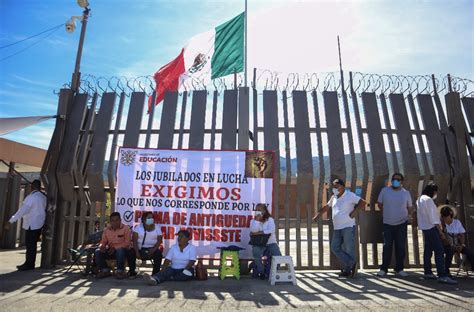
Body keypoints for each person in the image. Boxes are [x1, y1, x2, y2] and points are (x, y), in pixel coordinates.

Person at [313, 178, 366, 277]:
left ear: (342, 187)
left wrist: (355, 212)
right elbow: (327, 207)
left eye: (336, 187)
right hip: (337, 227)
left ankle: (349, 270)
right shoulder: (334, 197)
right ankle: (351, 264)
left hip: (348, 226)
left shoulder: (349, 195)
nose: (334, 189)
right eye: (333, 187)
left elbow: (362, 202)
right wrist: (318, 215)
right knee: (335, 247)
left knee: (349, 248)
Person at [416, 182, 457, 284]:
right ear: (433, 191)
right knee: (439, 250)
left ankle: (428, 272)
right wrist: (441, 232)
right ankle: (442, 275)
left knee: (428, 250)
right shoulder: (429, 200)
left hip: (425, 228)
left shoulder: (420, 199)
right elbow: (433, 218)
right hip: (432, 228)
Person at [376, 173, 413, 277]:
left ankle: (399, 268)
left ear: (402, 181)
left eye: (398, 179)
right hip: (387, 223)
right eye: (394, 179)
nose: (396, 181)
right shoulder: (385, 191)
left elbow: (410, 207)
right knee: (387, 246)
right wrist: (387, 213)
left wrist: (409, 216)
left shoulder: (405, 193)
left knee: (400, 247)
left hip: (402, 223)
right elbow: (379, 204)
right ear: (391, 180)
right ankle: (383, 269)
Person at [7, 179, 46, 271]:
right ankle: (29, 263)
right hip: (39, 224)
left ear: (32, 187)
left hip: (31, 224)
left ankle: (29, 264)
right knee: (33, 245)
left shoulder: (31, 197)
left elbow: (22, 211)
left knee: (30, 245)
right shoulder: (43, 197)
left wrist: (11, 220)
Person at [94, 212, 132, 279]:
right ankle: (105, 271)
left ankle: (120, 271)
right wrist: (101, 246)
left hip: (122, 251)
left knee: (120, 251)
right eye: (112, 221)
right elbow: (103, 241)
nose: (115, 222)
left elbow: (127, 243)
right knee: (98, 251)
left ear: (120, 220)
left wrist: (115, 248)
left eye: (117, 220)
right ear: (110, 222)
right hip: (110, 250)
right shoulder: (106, 230)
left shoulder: (126, 229)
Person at [249, 203, 282, 279]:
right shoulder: (253, 221)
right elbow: (253, 230)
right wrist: (257, 220)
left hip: (271, 243)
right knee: (256, 253)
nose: (257, 211)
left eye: (259, 210)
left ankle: (272, 272)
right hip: (259, 243)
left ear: (264, 211)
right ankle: (261, 271)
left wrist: (259, 233)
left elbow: (271, 230)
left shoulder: (270, 219)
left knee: (278, 256)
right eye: (256, 210)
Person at [440, 205, 474, 276]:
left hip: (457, 244)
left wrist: (461, 244)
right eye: (443, 216)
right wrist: (451, 245)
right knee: (450, 252)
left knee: (470, 252)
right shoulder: (441, 225)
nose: (445, 218)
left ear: (451, 215)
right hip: (446, 245)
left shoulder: (457, 222)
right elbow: (443, 238)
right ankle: (446, 271)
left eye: (446, 216)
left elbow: (462, 235)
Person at [129, 211, 163, 276]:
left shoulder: (157, 227)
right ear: (144, 219)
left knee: (158, 254)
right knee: (130, 253)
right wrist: (137, 252)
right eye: (149, 218)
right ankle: (132, 273)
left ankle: (155, 274)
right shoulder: (138, 227)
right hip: (140, 249)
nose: (151, 219)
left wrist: (153, 249)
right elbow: (134, 240)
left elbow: (159, 240)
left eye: (152, 217)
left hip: (152, 249)